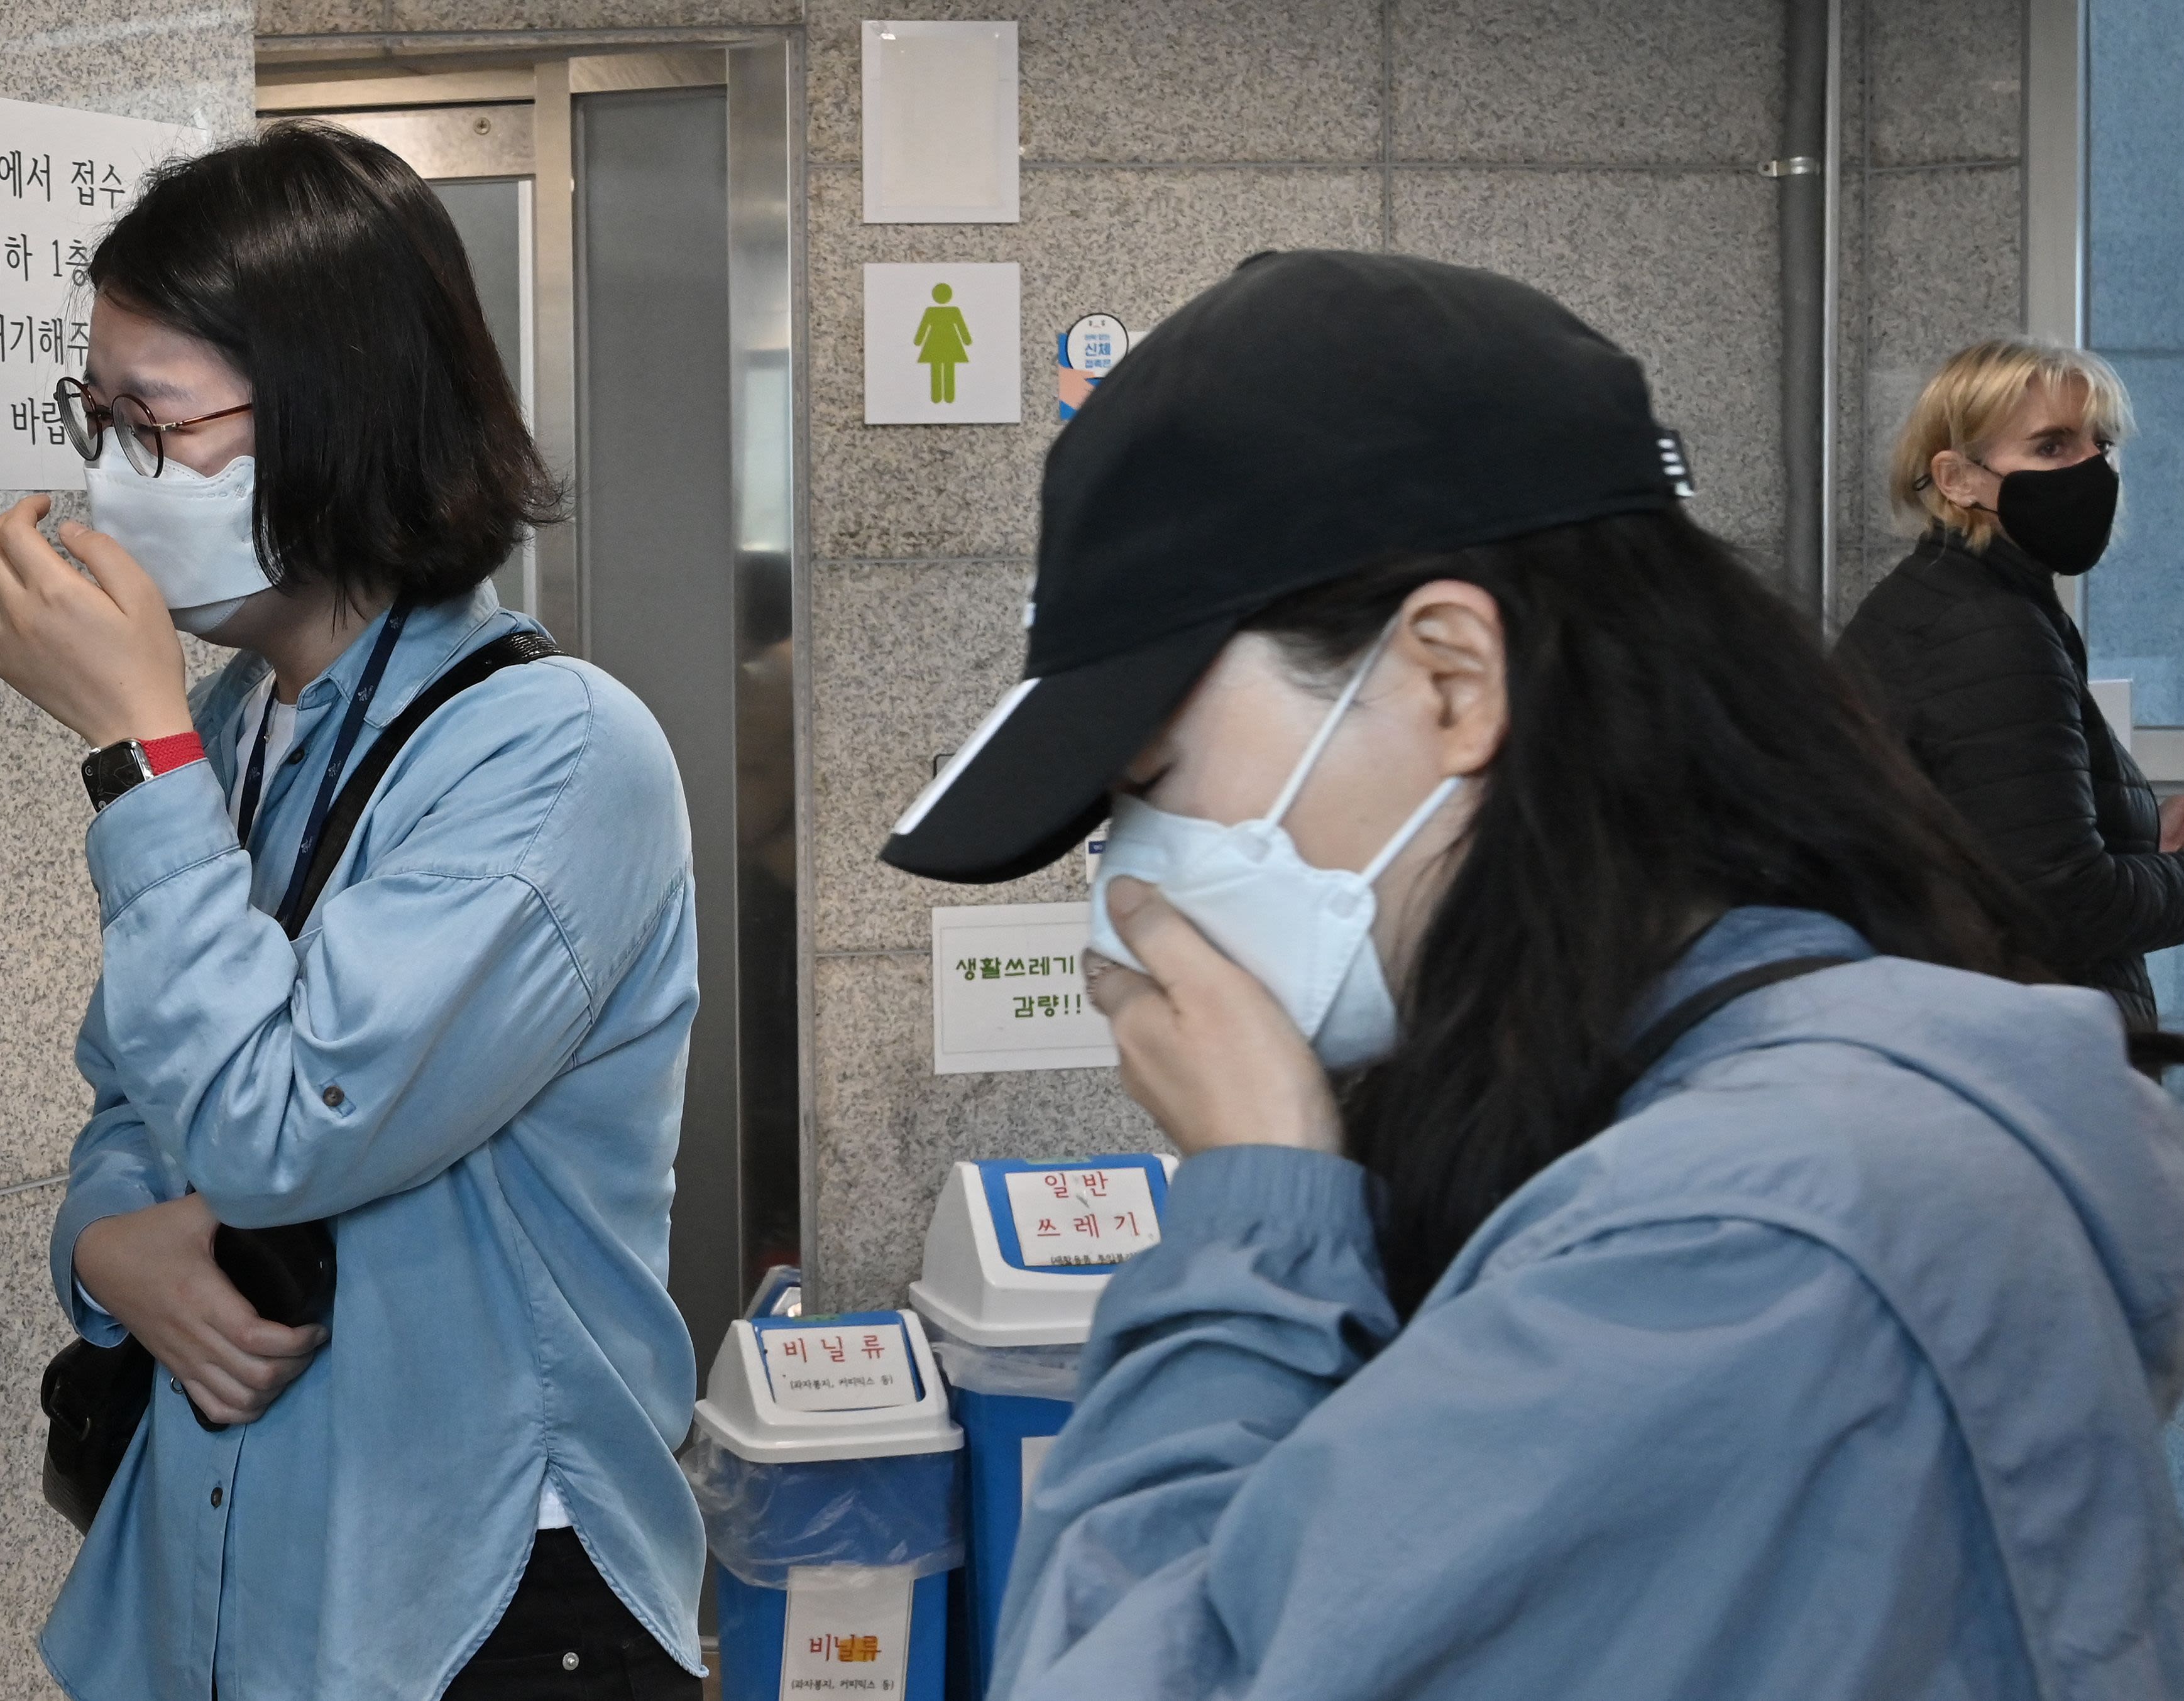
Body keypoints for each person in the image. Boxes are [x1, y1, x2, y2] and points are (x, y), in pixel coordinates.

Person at [880, 252, 2184, 1698]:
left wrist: (1247, 1219)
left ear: (1449, 677)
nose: (1131, 875)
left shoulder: (1727, 1251)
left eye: (1153, 777)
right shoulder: (1747, 1103)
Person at [0, 123, 707, 1700]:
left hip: (478, 1586)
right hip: (240, 1563)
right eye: (94, 421)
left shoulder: (560, 748)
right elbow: (131, 1096)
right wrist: (105, 1247)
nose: (108, 480)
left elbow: (277, 1128)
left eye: (153, 424)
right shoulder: (242, 723)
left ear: (334, 418)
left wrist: (138, 751)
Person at [1837, 339, 2184, 1027]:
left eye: (2100, 443)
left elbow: (2012, 841)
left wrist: (2149, 841)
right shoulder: (1985, 630)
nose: (2091, 468)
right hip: (2020, 1046)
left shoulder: (1966, 601)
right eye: (2052, 447)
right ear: (1959, 479)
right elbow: (2062, 905)